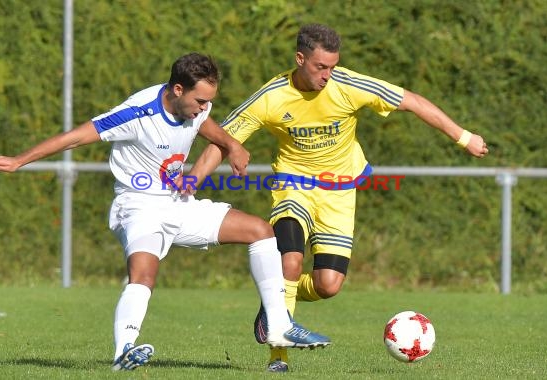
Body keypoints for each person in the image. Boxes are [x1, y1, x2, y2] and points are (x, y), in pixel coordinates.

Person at [0, 52, 330, 371]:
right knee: (144, 274)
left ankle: (279, 326)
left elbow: (205, 126)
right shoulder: (137, 114)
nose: (203, 108)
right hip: (138, 207)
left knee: (260, 230)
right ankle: (124, 351)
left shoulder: (193, 107)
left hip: (177, 203)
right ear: (177, 89)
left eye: (208, 101)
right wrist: (20, 160)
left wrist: (231, 143)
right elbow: (73, 138)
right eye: (199, 101)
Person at [185, 24, 489, 372]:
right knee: (291, 259)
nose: (328, 75)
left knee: (328, 286)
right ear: (300, 59)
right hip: (293, 186)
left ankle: (275, 297)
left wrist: (463, 137)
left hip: (340, 193)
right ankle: (277, 357)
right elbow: (221, 140)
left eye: (332, 66)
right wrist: (193, 179)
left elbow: (413, 101)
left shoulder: (348, 85)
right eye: (320, 67)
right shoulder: (271, 96)